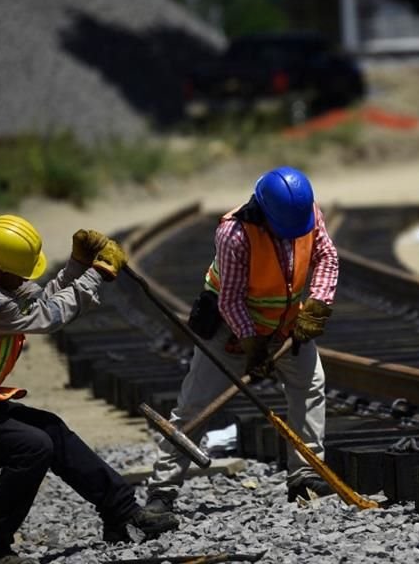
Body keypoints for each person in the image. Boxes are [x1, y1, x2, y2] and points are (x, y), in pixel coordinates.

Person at [0, 215, 178, 564]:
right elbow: (48, 316)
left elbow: (39, 298)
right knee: (31, 447)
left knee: (52, 431)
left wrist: (77, 265)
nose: (24, 279)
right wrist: (96, 273)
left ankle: (122, 512)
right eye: (20, 272)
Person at [145, 166, 338, 511]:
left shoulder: (305, 212)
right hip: (230, 329)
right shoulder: (234, 234)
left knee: (309, 388)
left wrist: (318, 302)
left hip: (285, 325)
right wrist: (252, 346)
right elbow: (230, 299)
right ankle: (162, 490)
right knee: (195, 407)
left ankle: (305, 476)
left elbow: (327, 257)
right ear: (265, 211)